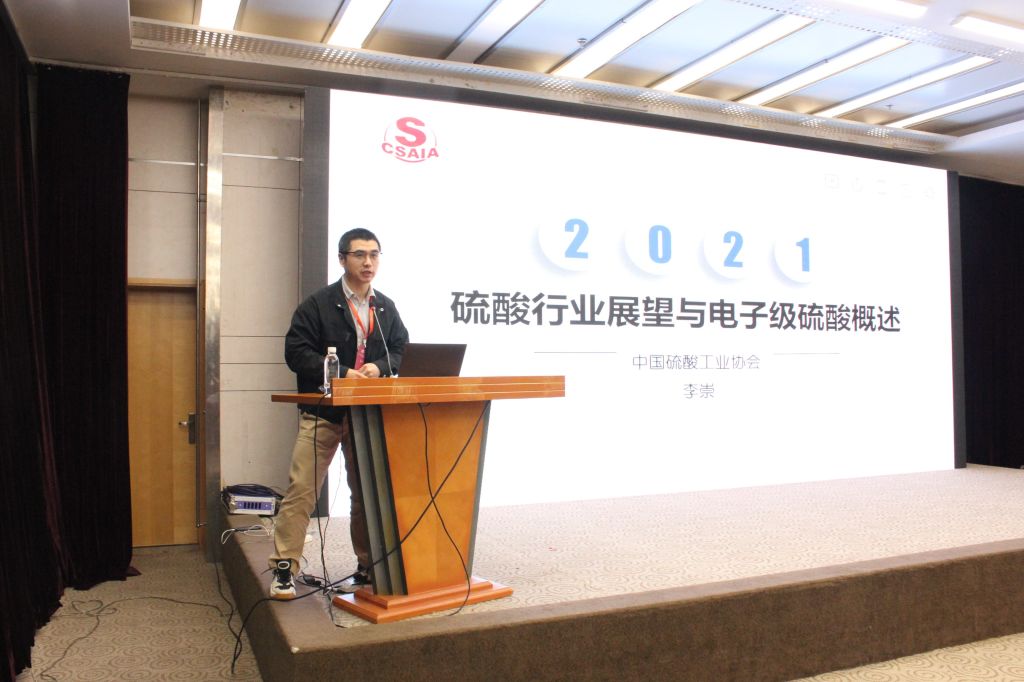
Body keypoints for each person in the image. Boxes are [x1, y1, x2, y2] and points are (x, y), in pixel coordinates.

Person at [269, 228, 408, 599]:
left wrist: (380, 366)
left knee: (365, 495)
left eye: (374, 254)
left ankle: (369, 566)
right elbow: (296, 353)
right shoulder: (318, 304)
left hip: (365, 415)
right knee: (302, 491)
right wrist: (341, 372)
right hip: (323, 413)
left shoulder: (384, 306)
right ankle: (284, 569)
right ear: (342, 259)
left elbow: (400, 349)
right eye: (360, 254)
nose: (368, 262)